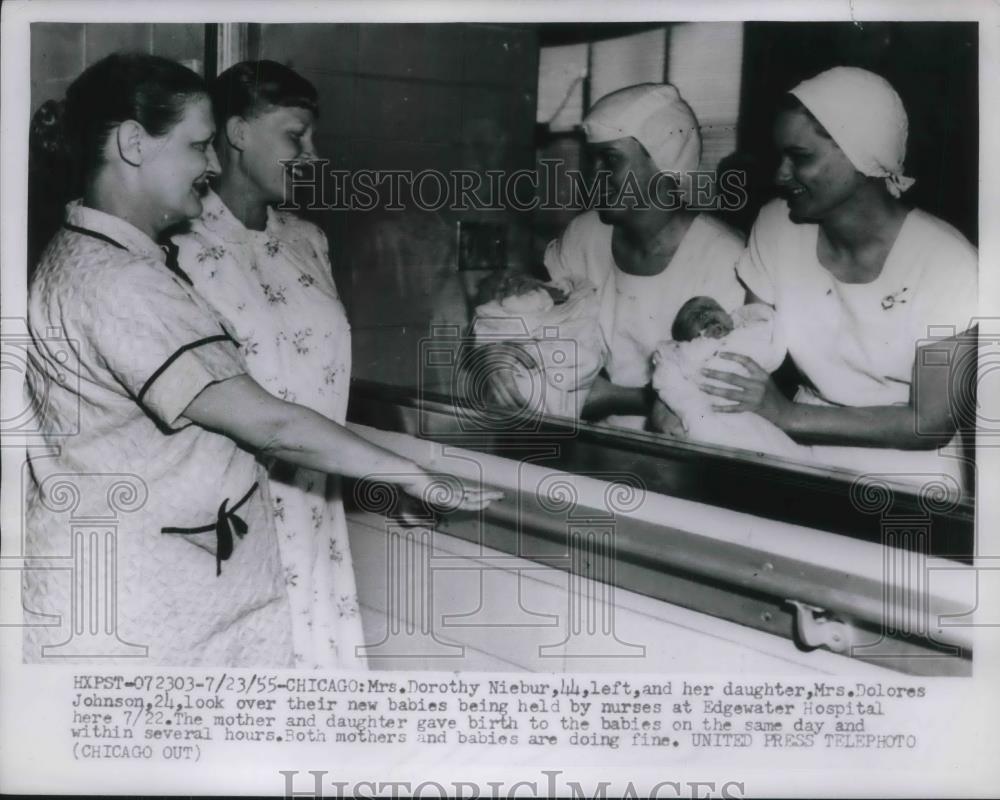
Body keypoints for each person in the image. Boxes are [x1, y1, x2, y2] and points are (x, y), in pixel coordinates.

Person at [24, 53, 499, 667]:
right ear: (134, 144)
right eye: (199, 145)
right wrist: (407, 474)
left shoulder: (88, 256)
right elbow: (268, 420)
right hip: (144, 599)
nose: (214, 163)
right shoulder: (124, 283)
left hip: (152, 583)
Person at [700, 67, 978, 487]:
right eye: (780, 156)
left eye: (801, 157)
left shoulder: (948, 262)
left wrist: (790, 415)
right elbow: (753, 337)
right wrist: (695, 386)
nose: (780, 174)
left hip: (910, 476)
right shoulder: (777, 225)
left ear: (861, 154)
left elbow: (929, 423)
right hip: (799, 452)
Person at [170, 61, 354, 668]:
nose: (311, 153)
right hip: (232, 517)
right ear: (238, 132)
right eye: (295, 136)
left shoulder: (309, 241)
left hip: (316, 506)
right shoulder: (181, 248)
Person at [483, 83, 746, 430]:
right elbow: (544, 323)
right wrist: (502, 351)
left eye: (610, 160)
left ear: (665, 161)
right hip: (596, 444)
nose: (595, 176)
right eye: (592, 160)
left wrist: (613, 397)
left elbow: (724, 395)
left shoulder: (726, 258)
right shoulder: (585, 235)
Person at [651, 297, 809, 460]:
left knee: (777, 450)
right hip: (709, 414)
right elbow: (669, 369)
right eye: (696, 320)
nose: (703, 315)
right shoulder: (688, 353)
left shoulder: (747, 334)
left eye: (709, 308)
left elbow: (767, 338)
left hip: (755, 412)